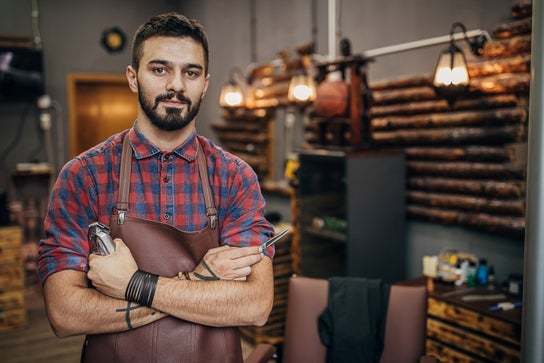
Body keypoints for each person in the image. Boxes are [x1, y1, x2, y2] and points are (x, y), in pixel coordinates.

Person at [37, 12, 275, 363]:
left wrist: (134, 284)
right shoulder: (84, 175)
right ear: (133, 78)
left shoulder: (235, 177)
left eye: (190, 72)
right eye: (160, 69)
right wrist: (199, 281)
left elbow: (255, 305)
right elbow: (64, 313)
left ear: (205, 83)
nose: (176, 85)